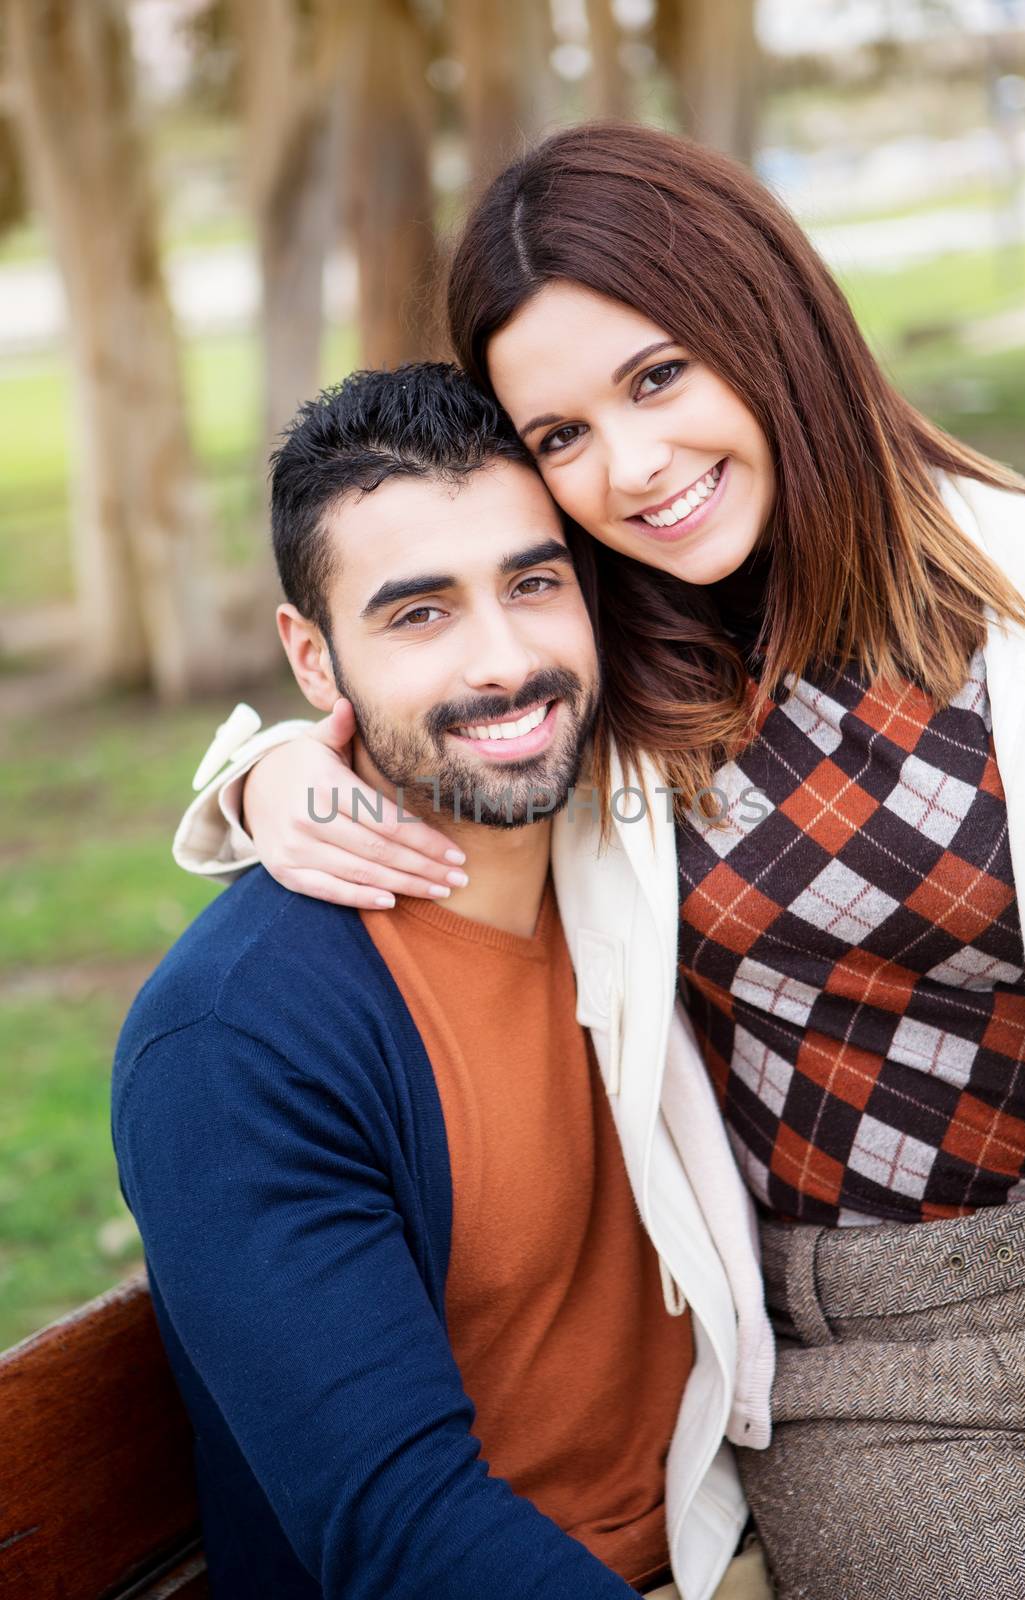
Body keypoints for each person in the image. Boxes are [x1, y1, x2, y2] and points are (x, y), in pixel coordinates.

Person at [174, 123, 1025, 1600]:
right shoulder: (625, 676)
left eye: (657, 377)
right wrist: (260, 770)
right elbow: (435, 685)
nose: (634, 468)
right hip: (876, 1362)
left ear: (768, 327)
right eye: (560, 438)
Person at [114, 362, 776, 1600]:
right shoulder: (238, 1040)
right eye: (418, 614)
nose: (505, 662)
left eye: (533, 583)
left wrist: (253, 769)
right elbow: (404, 1533)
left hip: (745, 1525)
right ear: (312, 660)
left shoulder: (648, 845)